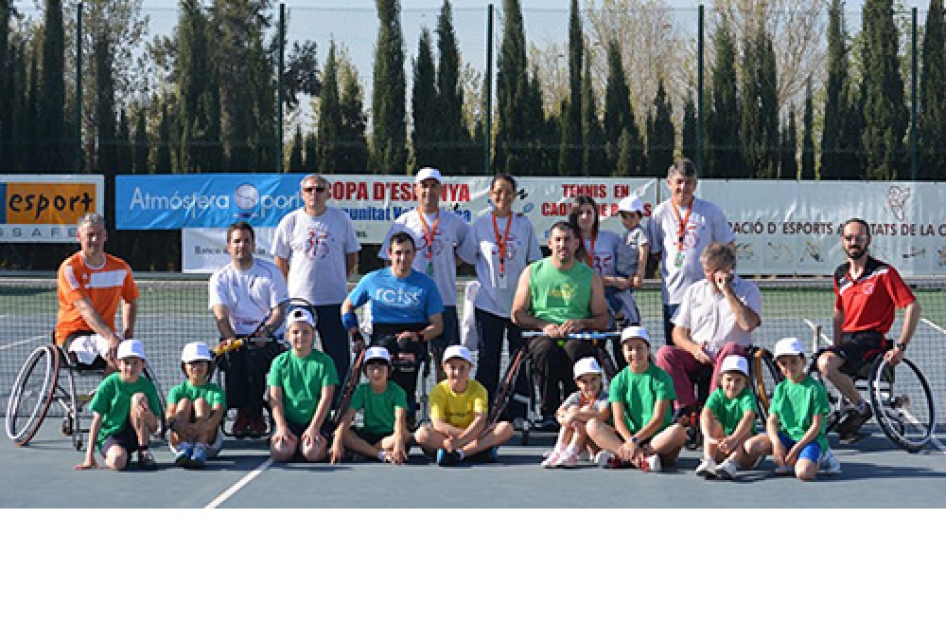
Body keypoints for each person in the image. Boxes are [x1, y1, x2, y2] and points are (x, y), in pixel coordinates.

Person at [817, 217, 922, 443]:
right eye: (849, 238)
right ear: (842, 241)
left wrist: (901, 347)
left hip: (870, 341)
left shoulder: (884, 273)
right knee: (812, 364)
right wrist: (836, 344)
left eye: (859, 238)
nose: (854, 242)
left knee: (826, 364)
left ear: (868, 241)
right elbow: (839, 312)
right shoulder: (840, 274)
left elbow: (913, 306)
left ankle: (862, 408)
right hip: (847, 341)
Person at [459, 172, 543, 420]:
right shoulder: (480, 224)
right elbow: (466, 257)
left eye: (508, 192)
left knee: (521, 359)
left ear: (515, 196)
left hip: (520, 306)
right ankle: (483, 412)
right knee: (488, 360)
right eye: (498, 192)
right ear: (490, 195)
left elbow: (533, 263)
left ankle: (519, 412)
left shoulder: (524, 225)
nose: (503, 197)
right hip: (488, 304)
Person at [511, 221, 609, 421]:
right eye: (558, 240)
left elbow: (602, 318)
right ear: (549, 244)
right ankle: (549, 412)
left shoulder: (590, 276)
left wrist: (582, 323)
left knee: (575, 351)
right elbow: (517, 313)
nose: (562, 245)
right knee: (546, 352)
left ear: (576, 244)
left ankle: (576, 411)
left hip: (578, 335)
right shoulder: (532, 272)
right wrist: (542, 325)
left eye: (567, 240)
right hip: (543, 334)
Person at [655, 242, 761, 422]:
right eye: (707, 271)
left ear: (729, 269)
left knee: (731, 348)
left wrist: (727, 291)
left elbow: (748, 324)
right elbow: (678, 333)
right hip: (699, 354)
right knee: (665, 354)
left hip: (730, 356)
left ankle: (712, 409)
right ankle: (686, 410)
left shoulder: (748, 289)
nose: (710, 276)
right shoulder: (695, 290)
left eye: (715, 271)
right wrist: (694, 349)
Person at [273, 174, 361, 390]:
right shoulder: (290, 221)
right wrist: (294, 286)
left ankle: (337, 413)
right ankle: (300, 411)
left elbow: (352, 256)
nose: (314, 194)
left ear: (328, 193)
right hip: (301, 304)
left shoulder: (341, 219)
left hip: (335, 302)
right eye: (309, 189)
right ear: (302, 194)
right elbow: (280, 260)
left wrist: (338, 278)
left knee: (338, 359)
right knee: (299, 357)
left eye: (319, 189)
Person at [342, 231, 443, 417]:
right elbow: (347, 307)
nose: (402, 258)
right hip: (382, 336)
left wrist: (419, 336)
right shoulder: (373, 279)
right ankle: (378, 412)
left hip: (412, 336)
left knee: (406, 349)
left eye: (407, 253)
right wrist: (355, 335)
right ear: (389, 254)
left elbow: (437, 325)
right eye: (398, 253)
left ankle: (406, 410)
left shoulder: (427, 284)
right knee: (380, 357)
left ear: (414, 254)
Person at [209, 221, 288, 438]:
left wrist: (265, 332)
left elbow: (278, 311)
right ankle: (240, 412)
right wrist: (231, 339)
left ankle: (255, 415)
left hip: (267, 338)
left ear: (253, 245)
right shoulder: (220, 277)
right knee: (233, 358)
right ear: (228, 246)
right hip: (234, 337)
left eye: (246, 241)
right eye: (236, 241)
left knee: (254, 358)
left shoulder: (270, 272)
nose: (241, 246)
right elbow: (221, 315)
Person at [380, 167, 472, 355]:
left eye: (433, 186)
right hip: (412, 302)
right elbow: (388, 261)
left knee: (446, 360)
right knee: (409, 360)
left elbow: (469, 248)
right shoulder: (403, 222)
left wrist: (450, 263)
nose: (428, 191)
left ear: (440, 190)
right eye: (424, 186)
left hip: (444, 300)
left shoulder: (454, 221)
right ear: (415, 189)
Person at [646, 157, 735, 345]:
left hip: (706, 295)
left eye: (688, 183)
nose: (683, 188)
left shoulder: (710, 211)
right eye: (679, 182)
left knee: (704, 347)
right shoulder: (659, 214)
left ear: (695, 185)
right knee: (674, 351)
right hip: (673, 296)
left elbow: (729, 248)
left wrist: (722, 278)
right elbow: (655, 252)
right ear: (669, 183)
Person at [719, 337, 831, 481]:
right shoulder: (780, 389)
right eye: (783, 363)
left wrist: (796, 449)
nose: (789, 367)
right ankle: (788, 458)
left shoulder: (815, 389)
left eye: (794, 362)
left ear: (803, 361)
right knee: (750, 446)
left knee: (804, 473)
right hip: (786, 437)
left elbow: (816, 426)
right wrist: (777, 444)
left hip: (810, 440)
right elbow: (771, 421)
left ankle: (823, 455)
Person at [587, 326, 686, 472]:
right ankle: (640, 459)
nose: (635, 353)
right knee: (592, 425)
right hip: (627, 437)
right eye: (629, 348)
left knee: (678, 431)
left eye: (639, 348)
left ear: (648, 349)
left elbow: (658, 419)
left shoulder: (662, 378)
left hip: (655, 439)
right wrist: (629, 441)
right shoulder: (618, 381)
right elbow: (618, 419)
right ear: (623, 352)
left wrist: (635, 441)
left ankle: (623, 457)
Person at [55, 213, 139, 370]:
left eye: (98, 234)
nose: (94, 240)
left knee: (129, 355)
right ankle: (105, 394)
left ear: (105, 236)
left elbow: (130, 299)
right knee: (117, 354)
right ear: (79, 237)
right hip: (73, 335)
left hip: (106, 336)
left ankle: (103, 393)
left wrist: (128, 335)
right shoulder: (70, 269)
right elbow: (84, 308)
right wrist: (110, 337)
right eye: (89, 235)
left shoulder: (121, 268)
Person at [413, 345, 514, 466]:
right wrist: (464, 438)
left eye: (462, 368)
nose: (457, 373)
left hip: (471, 435)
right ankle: (476, 451)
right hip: (460, 437)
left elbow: (480, 420)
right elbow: (438, 424)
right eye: (452, 367)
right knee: (422, 434)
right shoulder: (437, 391)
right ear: (444, 368)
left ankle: (459, 453)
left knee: (506, 428)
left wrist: (459, 441)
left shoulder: (479, 390)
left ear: (470, 368)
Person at [75, 340, 161, 471]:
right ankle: (121, 454)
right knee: (117, 462)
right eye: (126, 362)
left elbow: (154, 427)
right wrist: (89, 456)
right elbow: (97, 420)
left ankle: (143, 452)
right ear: (119, 364)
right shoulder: (109, 383)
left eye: (135, 363)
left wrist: (147, 413)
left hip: (138, 435)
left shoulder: (148, 386)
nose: (130, 368)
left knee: (138, 398)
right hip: (112, 435)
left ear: (143, 364)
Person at [267, 308, 339, 463]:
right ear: (287, 335)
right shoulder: (279, 362)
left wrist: (314, 428)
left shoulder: (325, 362)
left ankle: (306, 445)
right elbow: (275, 399)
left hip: (316, 421)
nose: (300, 336)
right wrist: (281, 427)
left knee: (312, 453)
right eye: (295, 332)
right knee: (280, 452)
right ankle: (295, 444)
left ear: (313, 334)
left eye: (306, 332)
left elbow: (326, 398)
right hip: (289, 421)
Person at [330, 346, 411, 465]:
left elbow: (400, 420)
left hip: (390, 435)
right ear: (365, 372)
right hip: (369, 433)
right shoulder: (362, 390)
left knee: (405, 436)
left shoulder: (397, 391)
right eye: (372, 368)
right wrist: (337, 438)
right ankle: (379, 454)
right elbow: (348, 416)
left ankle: (366, 451)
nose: (376, 373)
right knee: (344, 433)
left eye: (381, 368)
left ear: (389, 371)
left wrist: (398, 440)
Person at [568, 194, 639, 325]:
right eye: (580, 213)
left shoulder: (611, 238)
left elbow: (628, 260)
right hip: (587, 305)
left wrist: (633, 275)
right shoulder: (570, 242)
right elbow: (575, 278)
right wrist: (612, 281)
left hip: (616, 298)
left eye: (589, 212)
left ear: (596, 214)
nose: (585, 217)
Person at [694, 355, 757, 478]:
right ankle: (708, 461)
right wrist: (709, 437)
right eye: (728, 379)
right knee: (713, 422)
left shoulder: (747, 397)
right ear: (721, 380)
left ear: (745, 382)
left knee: (746, 434)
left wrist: (733, 439)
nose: (732, 384)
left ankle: (731, 464)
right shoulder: (716, 395)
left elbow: (748, 417)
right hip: (721, 447)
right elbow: (705, 414)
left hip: (742, 454)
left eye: (738, 380)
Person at [541, 356, 610, 469]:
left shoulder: (604, 397)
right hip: (581, 437)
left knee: (581, 412)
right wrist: (567, 419)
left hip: (597, 440)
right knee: (572, 410)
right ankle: (560, 450)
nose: (590, 386)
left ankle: (572, 451)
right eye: (584, 382)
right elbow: (559, 412)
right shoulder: (576, 396)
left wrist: (575, 415)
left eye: (593, 379)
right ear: (577, 383)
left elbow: (602, 415)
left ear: (600, 378)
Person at [166, 342, 226, 469]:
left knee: (200, 402)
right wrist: (180, 427)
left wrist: (200, 428)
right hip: (181, 437)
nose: (196, 367)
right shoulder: (176, 391)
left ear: (208, 366)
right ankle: (184, 447)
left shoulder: (215, 391)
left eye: (201, 363)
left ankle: (200, 447)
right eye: (192, 363)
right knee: (184, 403)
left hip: (209, 441)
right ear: (184, 367)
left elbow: (217, 415)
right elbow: (170, 414)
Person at [612, 194, 650, 325]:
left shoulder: (640, 233)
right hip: (617, 274)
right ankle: (623, 316)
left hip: (628, 276)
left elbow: (643, 252)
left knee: (611, 293)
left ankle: (631, 319)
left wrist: (639, 274)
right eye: (624, 216)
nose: (627, 220)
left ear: (640, 216)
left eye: (632, 216)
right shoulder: (624, 235)